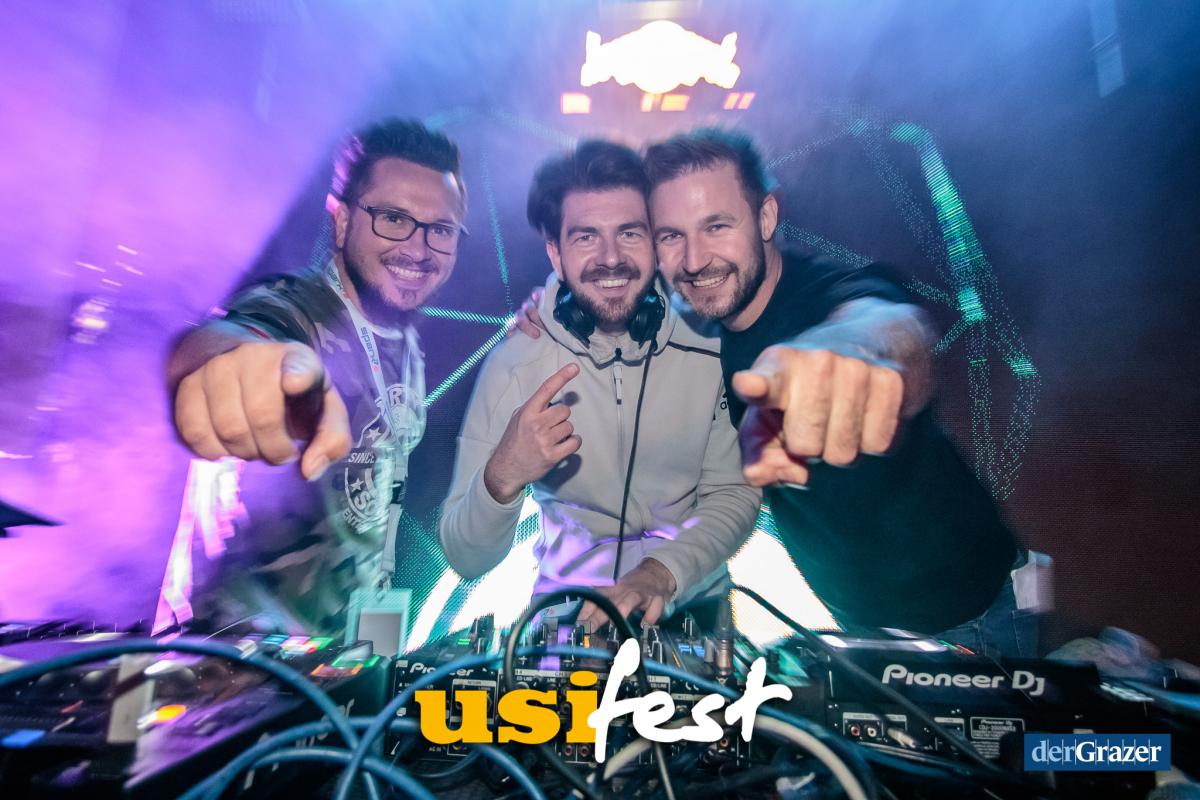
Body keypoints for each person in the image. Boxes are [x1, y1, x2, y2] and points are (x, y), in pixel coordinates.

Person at [641, 128, 1032, 656]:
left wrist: (848, 358)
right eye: (671, 236)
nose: (694, 260)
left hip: (965, 620)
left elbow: (890, 329)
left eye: (716, 226)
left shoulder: (829, 292)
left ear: (765, 217)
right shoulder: (700, 326)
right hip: (851, 623)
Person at [438, 140, 760, 629]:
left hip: (690, 606)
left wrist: (661, 573)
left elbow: (733, 493)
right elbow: (466, 557)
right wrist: (502, 475)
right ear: (556, 253)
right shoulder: (516, 364)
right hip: (567, 619)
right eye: (586, 237)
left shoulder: (711, 344)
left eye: (629, 233)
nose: (611, 258)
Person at [166, 118, 468, 636]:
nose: (419, 248)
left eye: (440, 229)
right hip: (234, 655)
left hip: (339, 656)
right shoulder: (297, 310)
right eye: (393, 219)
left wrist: (374, 650)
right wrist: (234, 364)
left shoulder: (405, 343)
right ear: (343, 220)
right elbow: (230, 340)